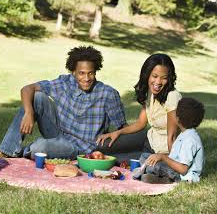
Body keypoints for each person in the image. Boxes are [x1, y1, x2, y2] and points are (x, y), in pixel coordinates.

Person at [0, 46, 132, 160]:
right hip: (57, 133)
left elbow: (122, 126)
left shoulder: (108, 94)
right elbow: (27, 89)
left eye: (90, 73)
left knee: (40, 147)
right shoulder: (64, 83)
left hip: (81, 148)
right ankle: (6, 151)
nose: (86, 78)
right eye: (81, 73)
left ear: (96, 71)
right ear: (73, 72)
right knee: (37, 97)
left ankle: (28, 150)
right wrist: (29, 112)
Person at [97, 53, 182, 158]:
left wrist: (171, 163)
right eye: (154, 76)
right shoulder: (151, 91)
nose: (158, 82)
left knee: (115, 160)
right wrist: (118, 132)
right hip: (148, 139)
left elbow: (172, 137)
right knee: (102, 146)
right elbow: (140, 123)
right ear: (147, 75)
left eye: (164, 78)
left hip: (161, 151)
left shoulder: (172, 97)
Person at [139, 97, 205, 183]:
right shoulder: (185, 134)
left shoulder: (190, 139)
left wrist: (163, 157)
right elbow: (175, 157)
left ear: (178, 118)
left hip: (183, 176)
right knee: (145, 156)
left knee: (154, 166)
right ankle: (157, 176)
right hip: (174, 168)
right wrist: (160, 156)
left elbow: (183, 169)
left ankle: (164, 179)